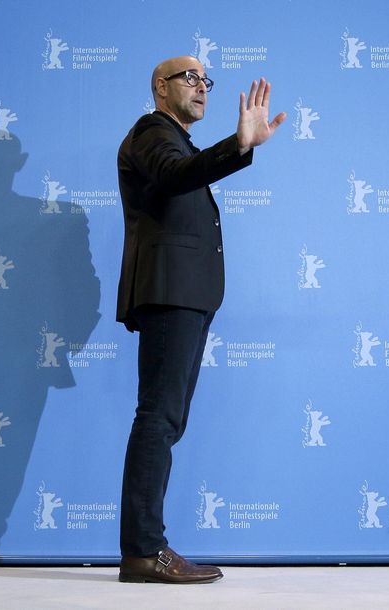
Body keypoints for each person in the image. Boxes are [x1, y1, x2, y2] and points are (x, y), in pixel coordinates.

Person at [116, 56, 286, 584]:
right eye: (189, 78)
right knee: (159, 417)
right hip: (169, 293)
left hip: (185, 295)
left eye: (206, 81)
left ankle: (146, 548)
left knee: (166, 419)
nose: (201, 88)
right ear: (159, 87)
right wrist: (238, 145)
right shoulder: (152, 132)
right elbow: (174, 175)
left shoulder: (178, 140)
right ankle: (145, 551)